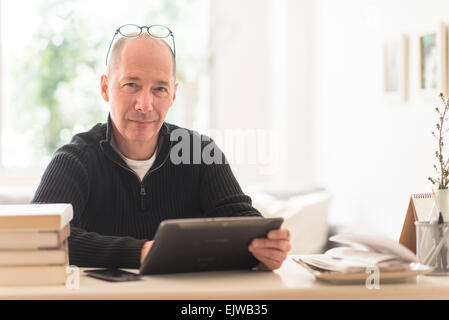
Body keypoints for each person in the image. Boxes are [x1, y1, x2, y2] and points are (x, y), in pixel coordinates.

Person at [31, 24, 291, 271]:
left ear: (173, 95)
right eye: (131, 84)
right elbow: (39, 238)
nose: (145, 104)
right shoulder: (75, 159)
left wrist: (266, 249)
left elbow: (241, 221)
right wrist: (141, 252)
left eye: (159, 89)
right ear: (105, 88)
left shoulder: (199, 152)